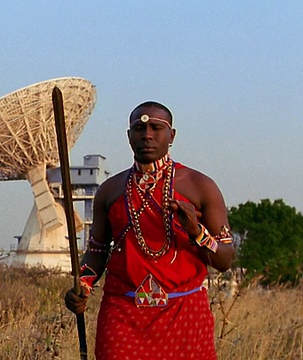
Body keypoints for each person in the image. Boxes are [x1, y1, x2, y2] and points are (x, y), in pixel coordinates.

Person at [64, 101, 236, 359]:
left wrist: (198, 232)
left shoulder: (200, 186)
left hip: (184, 314)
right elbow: (97, 251)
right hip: (123, 314)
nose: (147, 134)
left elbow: (225, 259)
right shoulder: (110, 191)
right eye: (139, 128)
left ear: (172, 136)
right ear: (129, 136)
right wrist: (83, 285)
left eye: (156, 127)